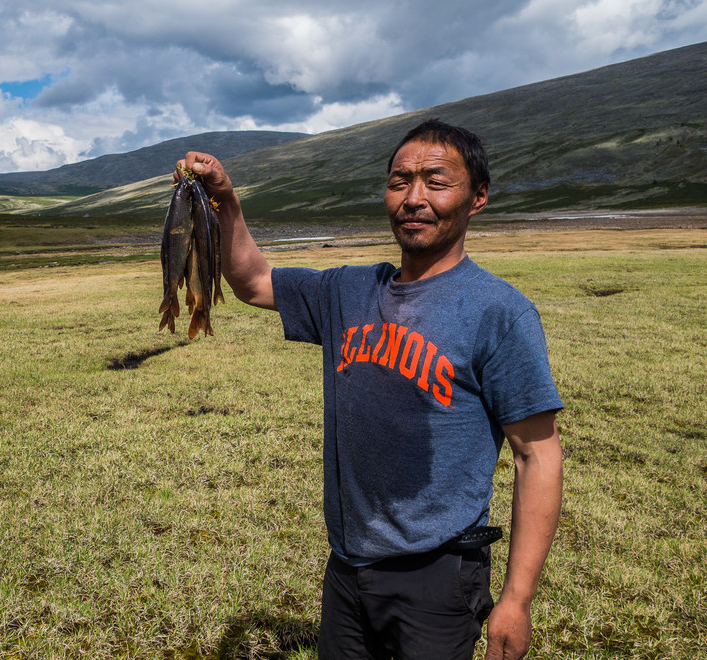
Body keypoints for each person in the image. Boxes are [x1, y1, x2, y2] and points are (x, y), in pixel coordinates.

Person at [174, 119, 563, 660]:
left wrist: (517, 600)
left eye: (436, 180)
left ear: (477, 199)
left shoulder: (498, 312)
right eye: (400, 181)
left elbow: (537, 454)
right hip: (347, 567)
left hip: (438, 576)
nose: (414, 197)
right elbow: (254, 281)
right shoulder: (349, 289)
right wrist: (226, 201)